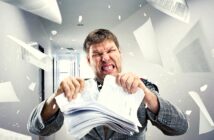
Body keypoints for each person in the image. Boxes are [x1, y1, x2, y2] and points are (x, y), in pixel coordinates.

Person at [27, 29, 188, 140]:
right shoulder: (78, 90)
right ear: (89, 61)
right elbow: (36, 128)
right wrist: (56, 98)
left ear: (120, 54)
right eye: (96, 54)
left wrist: (145, 94)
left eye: (110, 51)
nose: (104, 58)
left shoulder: (143, 87)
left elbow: (180, 127)